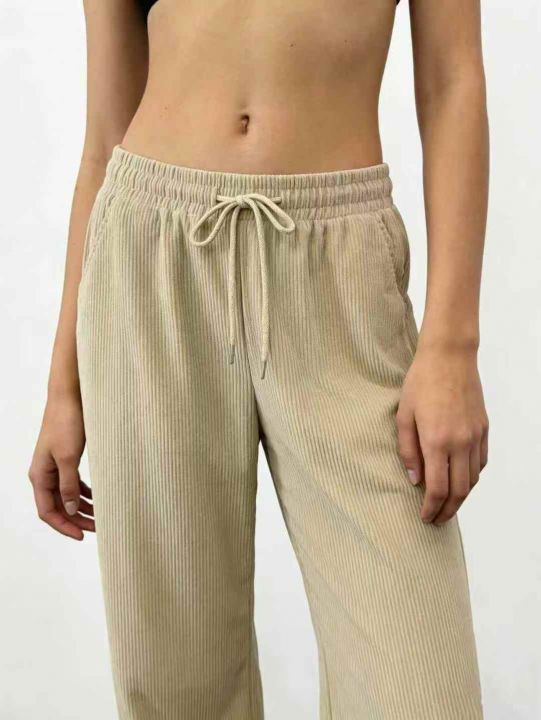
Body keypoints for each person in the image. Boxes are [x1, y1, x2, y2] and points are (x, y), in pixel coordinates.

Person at [28, 0, 489, 717]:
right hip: (152, 257)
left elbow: (452, 81)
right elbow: (105, 137)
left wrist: (453, 344)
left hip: (339, 272)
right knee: (176, 681)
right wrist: (64, 385)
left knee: (420, 690)